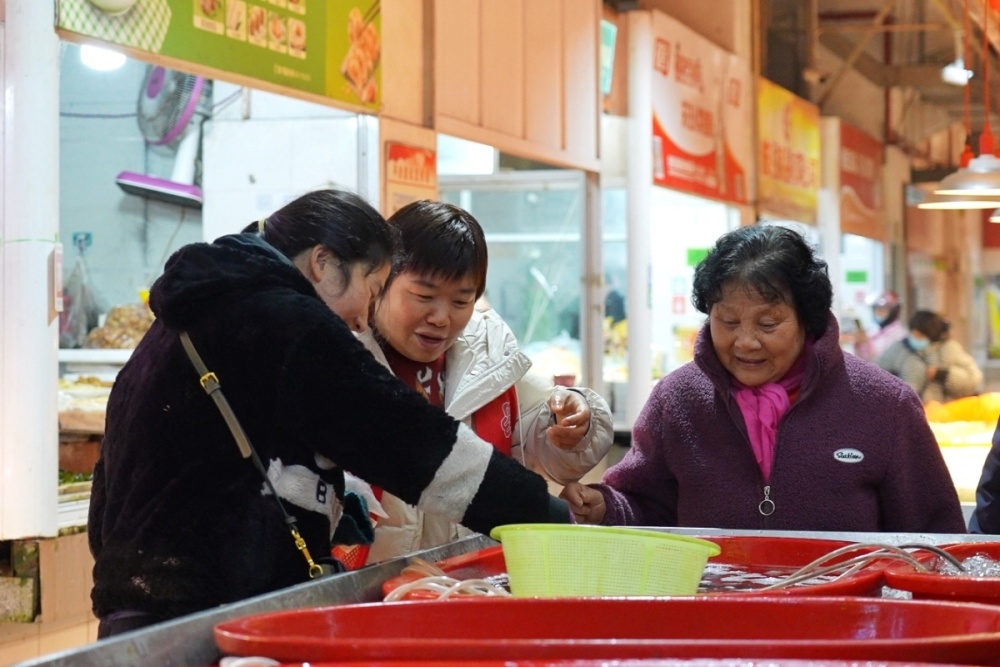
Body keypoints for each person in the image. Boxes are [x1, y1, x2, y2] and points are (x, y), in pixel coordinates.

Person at [88, 190, 572, 638]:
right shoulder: (284, 320)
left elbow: (109, 487)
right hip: (210, 617)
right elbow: (408, 442)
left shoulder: (179, 323)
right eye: (373, 285)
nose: (364, 319)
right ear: (323, 263)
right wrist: (546, 515)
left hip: (135, 614)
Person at [560, 224, 965, 533]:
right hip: (715, 625)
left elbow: (937, 537)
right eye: (728, 322)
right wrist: (603, 507)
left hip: (845, 628)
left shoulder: (883, 405)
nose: (746, 342)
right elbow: (645, 503)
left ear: (807, 320)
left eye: (768, 324)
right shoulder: (678, 400)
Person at [343, 200, 613, 565]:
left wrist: (575, 420)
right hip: (366, 591)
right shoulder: (341, 357)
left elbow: (551, 436)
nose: (441, 317)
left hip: (467, 585)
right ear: (383, 279)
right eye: (424, 296)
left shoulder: (489, 357)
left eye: (461, 300)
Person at [877, 310, 982, 404]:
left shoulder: (949, 349)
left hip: (944, 415)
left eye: (920, 335)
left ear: (931, 334)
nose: (915, 338)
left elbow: (973, 380)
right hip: (908, 413)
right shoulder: (898, 349)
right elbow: (878, 375)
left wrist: (943, 375)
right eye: (913, 334)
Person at [853, 290, 906, 363]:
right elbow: (862, 359)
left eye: (883, 310)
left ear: (894, 312)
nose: (879, 313)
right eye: (877, 310)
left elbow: (884, 360)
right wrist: (861, 344)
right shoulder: (875, 330)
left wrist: (867, 345)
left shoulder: (899, 335)